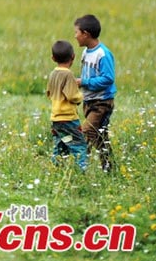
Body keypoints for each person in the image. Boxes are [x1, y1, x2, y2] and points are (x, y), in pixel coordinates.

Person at [74, 14, 116, 173]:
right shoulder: (86, 52)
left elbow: (108, 79)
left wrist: (84, 82)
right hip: (89, 101)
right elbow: (88, 75)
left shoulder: (103, 54)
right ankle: (109, 169)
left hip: (102, 103)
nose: (75, 36)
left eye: (77, 32)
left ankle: (79, 168)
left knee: (86, 132)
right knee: (100, 138)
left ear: (86, 34)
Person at [46, 40, 87, 171]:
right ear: (73, 56)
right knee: (79, 145)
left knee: (60, 145)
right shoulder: (68, 74)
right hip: (68, 118)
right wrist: (82, 96)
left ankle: (56, 168)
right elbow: (72, 96)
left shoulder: (53, 74)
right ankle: (81, 171)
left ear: (53, 58)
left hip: (56, 118)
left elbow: (49, 92)